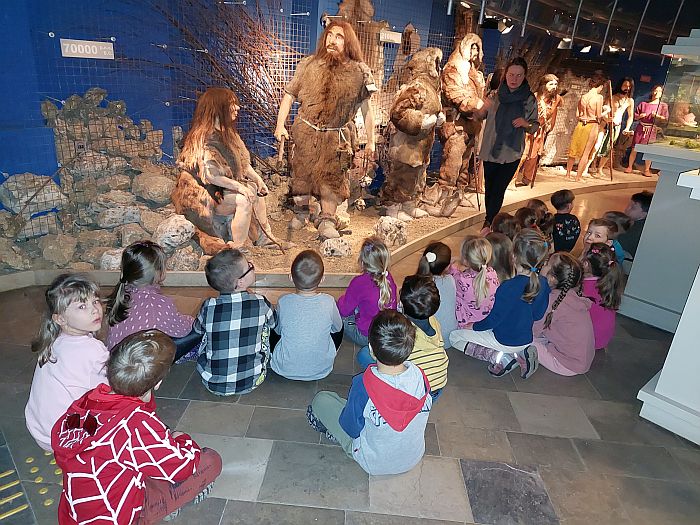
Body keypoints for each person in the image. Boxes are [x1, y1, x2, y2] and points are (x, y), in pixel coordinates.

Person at [52, 330, 222, 524]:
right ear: (157, 383)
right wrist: (182, 439)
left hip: (75, 515)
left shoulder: (87, 401)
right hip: (120, 516)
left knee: (150, 451)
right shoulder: (135, 424)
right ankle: (164, 506)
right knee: (210, 460)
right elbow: (183, 467)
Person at [274, 21, 377, 239]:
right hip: (306, 133)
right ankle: (301, 213)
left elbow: (367, 110)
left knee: (332, 180)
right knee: (301, 176)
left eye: (339, 37)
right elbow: (289, 95)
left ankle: (327, 220)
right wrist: (280, 124)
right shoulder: (308, 65)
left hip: (336, 138)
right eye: (329, 35)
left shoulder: (360, 72)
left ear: (348, 42)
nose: (332, 40)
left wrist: (371, 141)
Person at [307, 310, 432, 476]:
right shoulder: (421, 377)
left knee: (321, 400)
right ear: (410, 348)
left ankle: (343, 441)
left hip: (372, 462)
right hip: (412, 458)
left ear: (371, 349)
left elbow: (351, 429)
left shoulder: (364, 384)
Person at [172, 87, 279, 254]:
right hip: (206, 194)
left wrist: (258, 180)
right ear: (218, 108)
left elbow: (242, 163)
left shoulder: (228, 134)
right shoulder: (204, 137)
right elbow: (211, 176)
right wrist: (240, 187)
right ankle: (237, 247)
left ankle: (265, 238)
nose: (237, 108)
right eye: (232, 104)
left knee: (255, 191)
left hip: (222, 189)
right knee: (242, 200)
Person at [449, 228, 550, 378]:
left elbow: (493, 320)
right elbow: (538, 315)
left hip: (503, 339)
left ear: (513, 257)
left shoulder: (508, 287)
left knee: (455, 337)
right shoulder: (543, 283)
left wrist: (474, 326)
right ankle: (522, 352)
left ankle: (500, 357)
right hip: (526, 338)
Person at [25, 274, 109, 451]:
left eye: (95, 301)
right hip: (65, 439)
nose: (95, 310)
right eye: (82, 306)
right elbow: (107, 393)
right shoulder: (92, 350)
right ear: (60, 319)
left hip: (41, 430)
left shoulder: (55, 340)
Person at [193, 248, 276, 395]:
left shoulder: (208, 305)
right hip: (253, 380)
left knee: (208, 330)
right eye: (249, 266)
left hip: (212, 383)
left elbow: (197, 330)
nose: (252, 265)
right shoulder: (260, 302)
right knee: (265, 326)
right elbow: (274, 323)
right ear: (241, 282)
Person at [382, 47, 444, 221]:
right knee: (402, 175)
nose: (438, 68)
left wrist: (439, 119)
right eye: (436, 64)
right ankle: (393, 207)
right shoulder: (417, 87)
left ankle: (409, 205)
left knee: (416, 175)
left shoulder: (431, 88)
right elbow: (398, 112)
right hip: (407, 144)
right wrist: (421, 121)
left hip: (421, 145)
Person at [477, 57, 540, 228]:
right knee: (490, 187)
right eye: (511, 74)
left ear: (524, 76)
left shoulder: (528, 99)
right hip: (491, 149)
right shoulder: (495, 95)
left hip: (510, 152)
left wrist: (525, 123)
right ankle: (491, 219)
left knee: (498, 188)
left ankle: (489, 221)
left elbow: (534, 126)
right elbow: (478, 116)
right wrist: (482, 108)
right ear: (505, 74)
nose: (514, 79)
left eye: (519, 75)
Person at [431, 33, 486, 216]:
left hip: (471, 124)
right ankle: (444, 197)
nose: (474, 52)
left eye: (477, 48)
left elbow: (478, 96)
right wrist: (476, 104)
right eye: (472, 47)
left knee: (464, 163)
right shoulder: (452, 69)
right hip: (455, 124)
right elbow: (454, 94)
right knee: (452, 163)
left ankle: (459, 195)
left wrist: (479, 106)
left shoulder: (473, 72)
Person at [106, 241, 194, 353]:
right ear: (158, 272)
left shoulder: (122, 294)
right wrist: (193, 320)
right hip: (139, 361)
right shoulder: (157, 303)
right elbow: (182, 330)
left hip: (118, 359)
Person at [270, 250, 343, 381]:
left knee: (272, 325)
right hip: (322, 369)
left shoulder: (283, 301)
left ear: (291, 277)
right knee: (340, 325)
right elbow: (337, 328)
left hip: (284, 368)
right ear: (323, 279)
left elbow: (278, 331)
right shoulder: (329, 301)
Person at [533, 253, 595, 376]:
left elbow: (532, 330)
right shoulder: (572, 296)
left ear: (552, 278)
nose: (543, 266)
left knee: (521, 339)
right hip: (580, 362)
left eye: (546, 264)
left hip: (567, 364)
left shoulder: (553, 300)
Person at [337, 237, 398, 350]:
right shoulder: (388, 278)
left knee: (339, 312)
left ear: (362, 261)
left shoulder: (359, 282)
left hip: (367, 337)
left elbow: (344, 310)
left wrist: (340, 300)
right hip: (387, 333)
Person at [515, 74, 563, 187]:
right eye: (551, 84)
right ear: (544, 85)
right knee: (523, 155)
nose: (554, 87)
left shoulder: (556, 99)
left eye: (556, 84)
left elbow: (554, 114)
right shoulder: (534, 97)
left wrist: (549, 127)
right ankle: (512, 180)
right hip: (528, 130)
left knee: (533, 156)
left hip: (540, 132)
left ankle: (527, 178)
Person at [448, 235, 499, 328]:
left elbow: (450, 275)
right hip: (488, 322)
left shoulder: (461, 280)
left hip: (466, 325)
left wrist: (454, 266)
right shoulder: (492, 273)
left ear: (466, 260)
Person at [581, 243, 625, 350]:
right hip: (602, 340)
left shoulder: (583, 287)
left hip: (588, 342)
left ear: (585, 264)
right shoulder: (607, 284)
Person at [566, 74, 607, 182]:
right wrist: (607, 111)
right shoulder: (599, 97)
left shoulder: (583, 97)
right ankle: (578, 177)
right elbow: (598, 115)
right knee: (586, 152)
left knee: (573, 150)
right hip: (591, 125)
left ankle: (568, 174)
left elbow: (577, 114)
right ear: (600, 86)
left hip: (580, 125)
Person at [416, 242, 458, 344]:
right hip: (450, 337)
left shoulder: (418, 285)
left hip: (432, 340)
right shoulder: (451, 280)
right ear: (447, 266)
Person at [625, 85, 668, 177]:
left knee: (649, 150)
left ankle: (646, 169)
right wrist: (640, 116)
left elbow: (665, 119)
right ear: (652, 91)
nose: (656, 93)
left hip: (651, 129)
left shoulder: (663, 106)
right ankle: (629, 166)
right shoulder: (643, 104)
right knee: (634, 148)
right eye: (655, 90)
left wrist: (657, 116)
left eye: (659, 91)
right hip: (641, 127)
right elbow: (635, 116)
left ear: (662, 93)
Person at [597, 77, 635, 174]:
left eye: (629, 86)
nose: (627, 88)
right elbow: (603, 111)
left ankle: (600, 168)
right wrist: (607, 119)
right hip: (605, 124)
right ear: (620, 85)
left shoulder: (630, 101)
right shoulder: (612, 97)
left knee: (609, 148)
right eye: (625, 85)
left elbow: (630, 116)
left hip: (616, 126)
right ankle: (590, 166)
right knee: (597, 145)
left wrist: (627, 128)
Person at [617, 190, 652, 259]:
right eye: (628, 205)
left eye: (633, 207)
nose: (627, 209)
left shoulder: (637, 231)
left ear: (644, 214)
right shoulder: (633, 223)